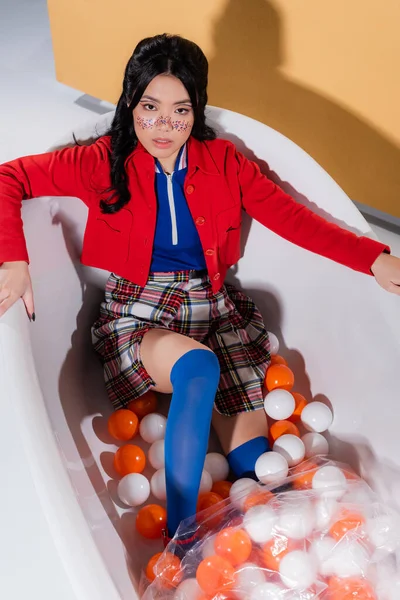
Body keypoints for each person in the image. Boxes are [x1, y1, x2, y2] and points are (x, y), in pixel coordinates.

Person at [0, 33, 399, 550]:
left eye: (180, 110)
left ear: (197, 110)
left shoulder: (224, 162)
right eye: (150, 107)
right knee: (198, 367)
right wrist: (15, 259)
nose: (163, 126)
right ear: (130, 103)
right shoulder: (101, 160)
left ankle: (305, 534)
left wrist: (373, 257)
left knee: (256, 465)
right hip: (139, 311)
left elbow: (292, 218)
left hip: (212, 308)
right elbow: (10, 177)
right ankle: (181, 540)